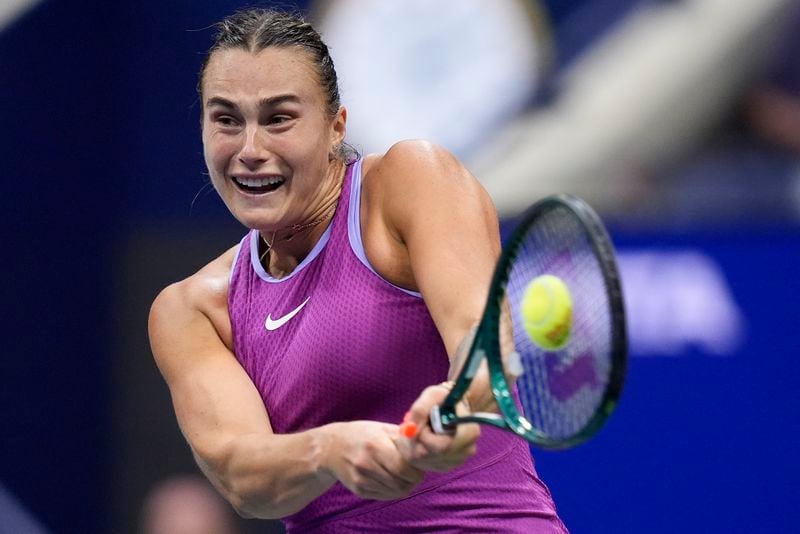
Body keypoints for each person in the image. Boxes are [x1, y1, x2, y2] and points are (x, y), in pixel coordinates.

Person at [148, 8, 566, 532]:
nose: (250, 150)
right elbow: (243, 477)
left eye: (279, 118)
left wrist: (457, 402)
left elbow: (482, 346)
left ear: (335, 127)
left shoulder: (413, 181)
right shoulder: (192, 310)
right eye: (227, 119)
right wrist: (330, 449)